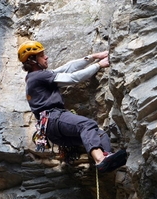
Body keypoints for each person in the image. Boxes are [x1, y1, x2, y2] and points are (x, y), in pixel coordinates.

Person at [18, 40, 126, 173]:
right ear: (32, 60)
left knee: (99, 134)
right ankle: (100, 159)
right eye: (41, 55)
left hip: (51, 131)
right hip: (52, 117)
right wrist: (98, 65)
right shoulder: (39, 76)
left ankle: (106, 159)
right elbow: (73, 78)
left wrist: (92, 57)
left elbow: (68, 68)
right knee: (86, 125)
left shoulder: (35, 77)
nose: (46, 57)